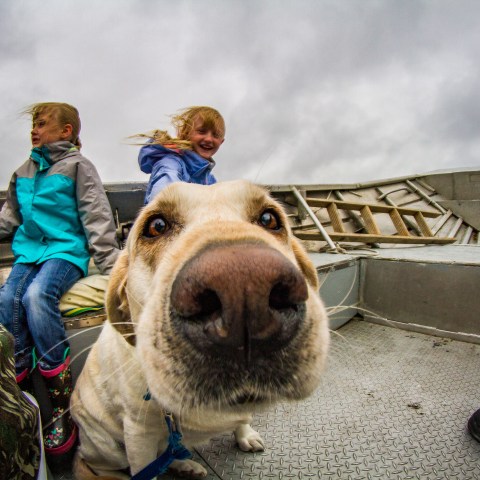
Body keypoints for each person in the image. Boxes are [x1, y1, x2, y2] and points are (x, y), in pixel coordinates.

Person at [0, 102, 120, 457]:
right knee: (7, 300)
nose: (34, 130)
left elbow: (96, 215)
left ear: (66, 131)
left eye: (41, 124)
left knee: (37, 297)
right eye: (33, 125)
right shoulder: (22, 172)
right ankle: (22, 398)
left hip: (64, 253)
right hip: (29, 253)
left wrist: (114, 269)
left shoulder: (79, 166)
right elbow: (9, 218)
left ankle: (61, 408)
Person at [137, 106, 225, 204]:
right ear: (185, 133)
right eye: (201, 131)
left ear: (221, 142)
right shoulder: (171, 164)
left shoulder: (209, 179)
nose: (209, 139)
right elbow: (164, 203)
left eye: (216, 135)